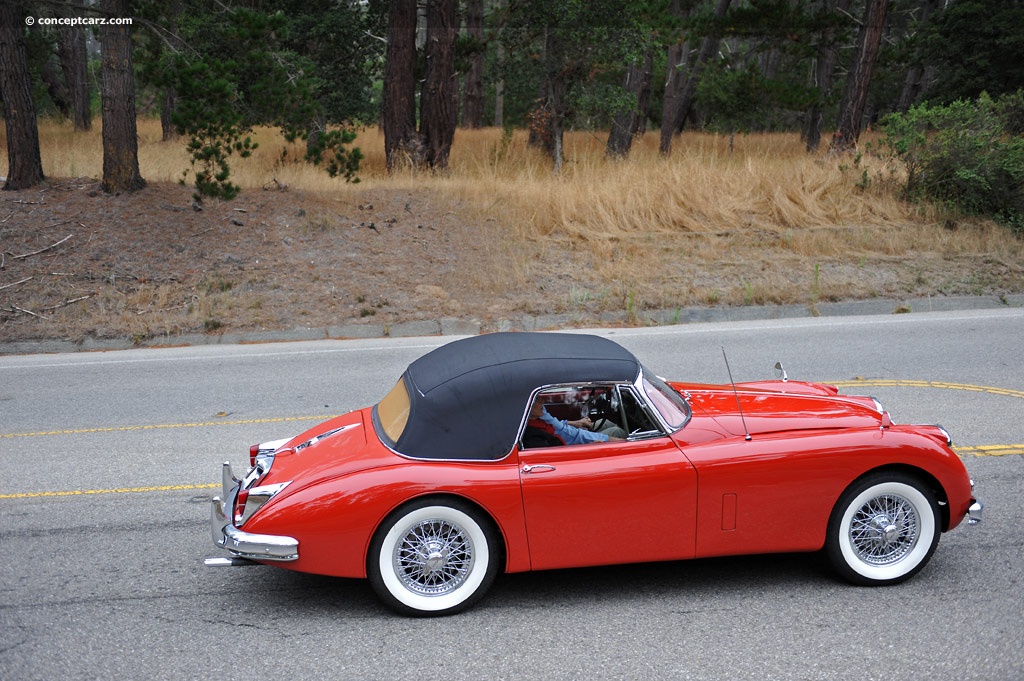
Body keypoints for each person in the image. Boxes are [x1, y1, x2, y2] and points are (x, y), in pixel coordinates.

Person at [524, 398, 626, 447]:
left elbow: (558, 425)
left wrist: (577, 423)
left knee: (605, 423)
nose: (543, 401)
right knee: (617, 432)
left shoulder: (538, 417)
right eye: (537, 400)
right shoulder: (534, 432)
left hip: (572, 437)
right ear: (527, 406)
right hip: (575, 445)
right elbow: (572, 435)